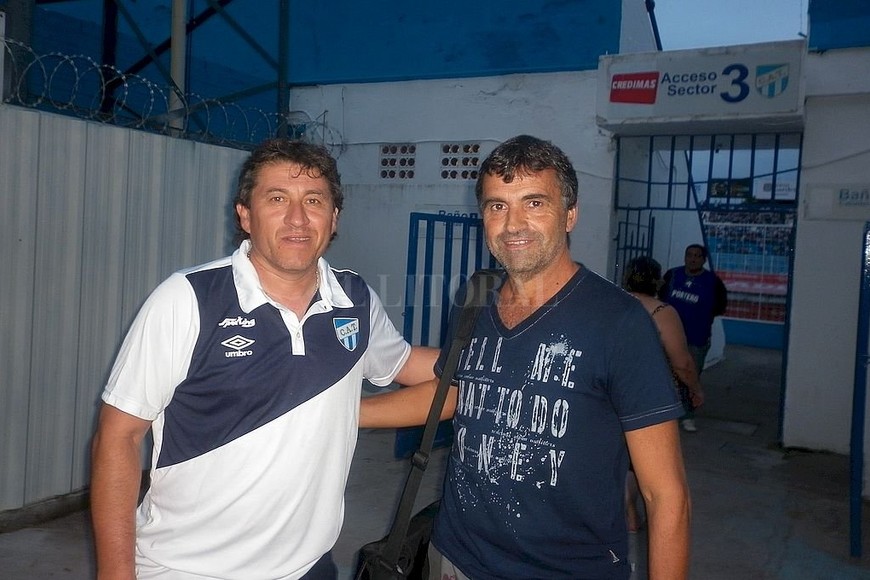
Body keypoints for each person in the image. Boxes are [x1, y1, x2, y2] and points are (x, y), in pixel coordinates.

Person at [89, 138, 438, 580]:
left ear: (333, 218)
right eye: (277, 199)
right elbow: (117, 438)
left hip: (310, 568)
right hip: (186, 569)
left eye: (313, 200)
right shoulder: (188, 299)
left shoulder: (354, 300)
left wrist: (497, 353)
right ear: (245, 215)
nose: (297, 218)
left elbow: (410, 365)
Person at [361, 135, 691, 579]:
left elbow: (665, 496)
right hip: (454, 557)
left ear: (570, 214)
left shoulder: (619, 322)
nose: (513, 223)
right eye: (497, 206)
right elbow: (455, 393)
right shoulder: (474, 299)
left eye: (534, 203)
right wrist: (342, 412)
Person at [622, 255, 705, 533]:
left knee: (622, 454)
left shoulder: (612, 306)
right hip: (650, 397)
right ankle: (644, 516)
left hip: (611, 393)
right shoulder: (662, 312)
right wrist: (695, 389)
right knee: (650, 462)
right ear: (657, 281)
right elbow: (682, 363)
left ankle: (627, 510)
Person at [659, 243, 728, 432]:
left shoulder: (713, 282)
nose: (693, 259)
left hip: (696, 339)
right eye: (689, 255)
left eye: (697, 256)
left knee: (689, 378)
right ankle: (665, 416)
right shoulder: (672, 275)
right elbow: (660, 299)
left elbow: (720, 306)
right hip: (668, 338)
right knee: (664, 377)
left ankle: (687, 416)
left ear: (703, 260)